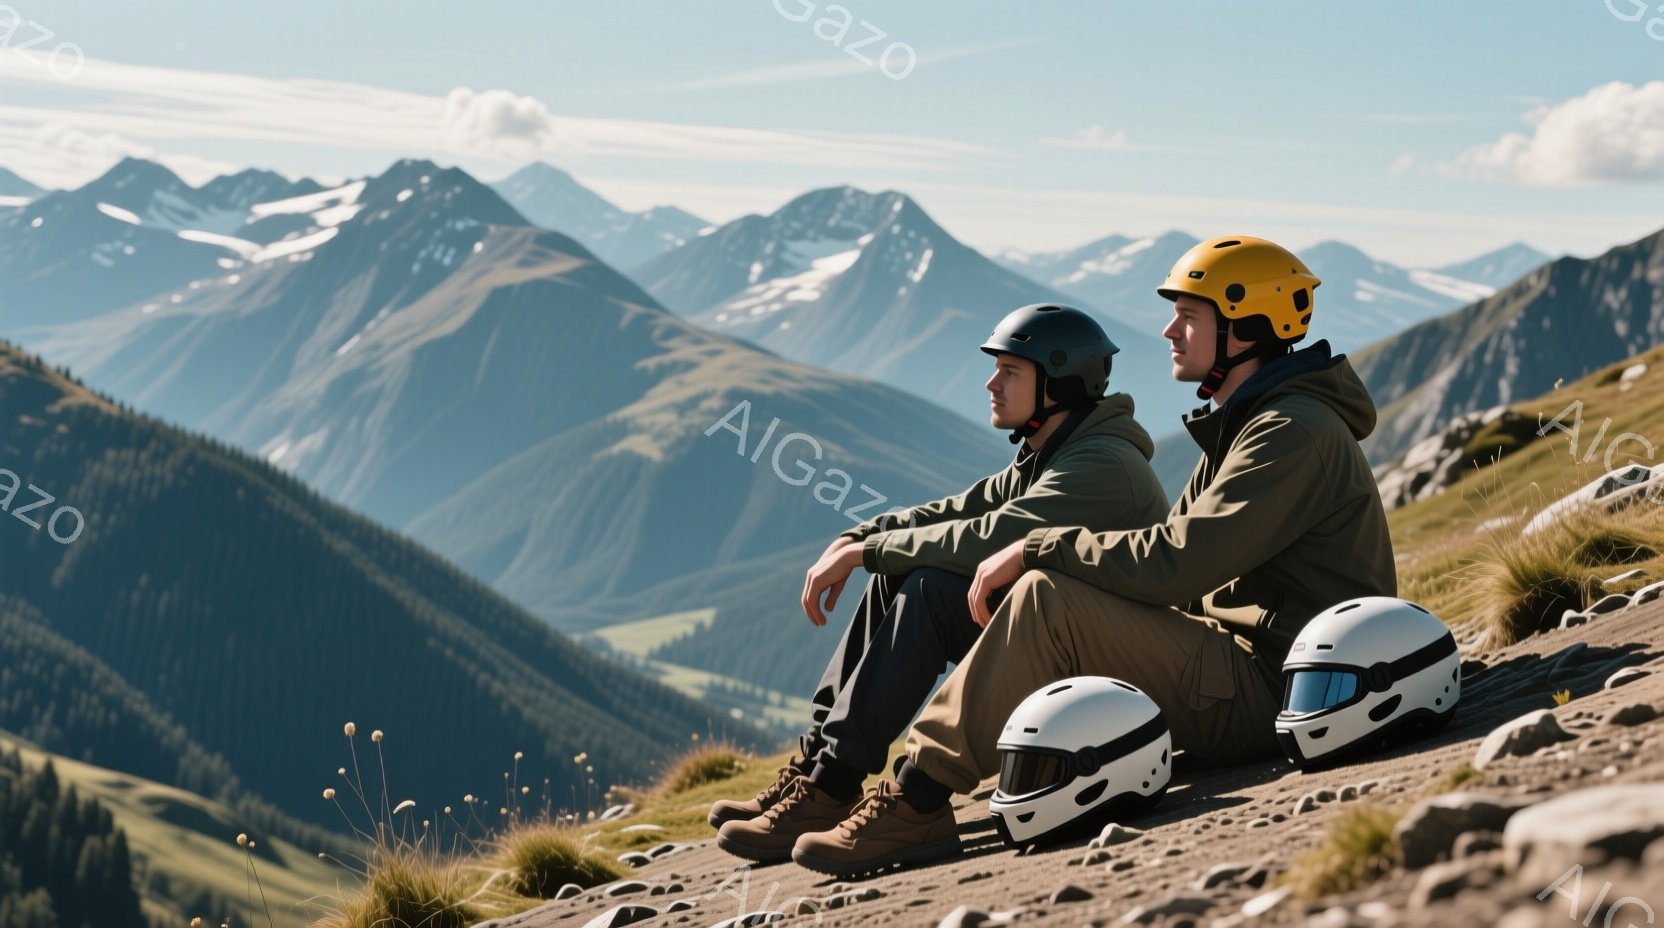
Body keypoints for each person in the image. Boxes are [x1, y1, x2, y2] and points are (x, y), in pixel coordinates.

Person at [787, 235, 1398, 877]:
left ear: (1247, 328)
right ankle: (829, 778)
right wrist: (872, 541)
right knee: (1017, 587)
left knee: (1045, 598)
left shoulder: (1288, 433)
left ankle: (917, 800)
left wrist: (1037, 551)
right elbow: (982, 512)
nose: (1168, 330)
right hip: (1237, 667)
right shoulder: (1251, 425)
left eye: (1190, 316)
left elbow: (1179, 564)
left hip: (1278, 687)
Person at [709, 304, 1171, 864]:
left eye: (1010, 372)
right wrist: (862, 535)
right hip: (1060, 648)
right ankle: (823, 772)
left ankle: (856, 790)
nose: (991, 382)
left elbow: (985, 535)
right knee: (901, 575)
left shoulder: (1101, 466)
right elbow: (956, 510)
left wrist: (870, 553)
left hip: (1114, 681)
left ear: (1060, 384)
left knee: (927, 588)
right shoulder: (1053, 451)